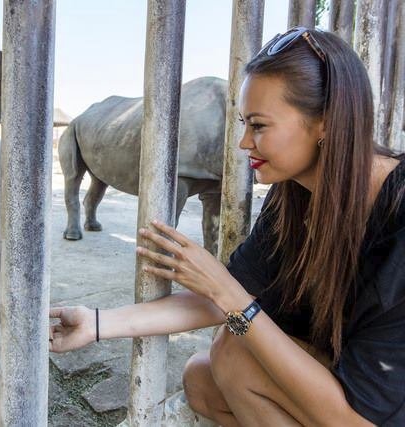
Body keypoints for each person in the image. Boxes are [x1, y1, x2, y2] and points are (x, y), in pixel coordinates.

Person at [49, 27, 405, 426]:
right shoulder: (295, 197)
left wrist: (228, 293)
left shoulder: (398, 212)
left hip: (369, 411)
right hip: (335, 380)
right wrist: (97, 323)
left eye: (258, 126)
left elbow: (357, 417)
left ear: (325, 121)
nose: (242, 143)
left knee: (234, 354)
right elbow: (224, 298)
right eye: (242, 123)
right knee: (201, 379)